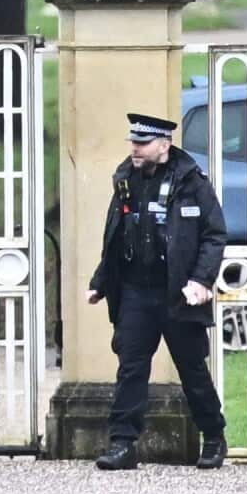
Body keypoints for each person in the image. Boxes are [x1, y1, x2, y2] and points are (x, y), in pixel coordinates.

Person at [86, 113, 228, 470]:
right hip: (136, 290)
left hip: (177, 292)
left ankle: (213, 437)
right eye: (133, 142)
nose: (135, 148)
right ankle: (123, 443)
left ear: (164, 145)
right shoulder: (126, 180)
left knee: (192, 369)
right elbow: (114, 235)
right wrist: (102, 281)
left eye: (143, 143)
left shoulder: (192, 182)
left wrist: (201, 280)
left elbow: (214, 235)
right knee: (130, 368)